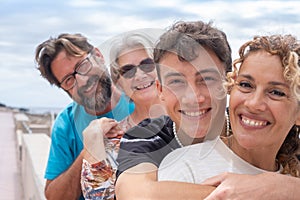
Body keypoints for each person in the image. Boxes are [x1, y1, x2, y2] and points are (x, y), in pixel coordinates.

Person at [158, 34, 300, 196]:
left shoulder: (291, 181)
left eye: (276, 92)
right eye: (246, 85)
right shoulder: (186, 166)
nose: (253, 104)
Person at [115, 20, 232, 199]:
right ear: (160, 90)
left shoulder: (252, 126)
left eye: (207, 79)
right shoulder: (146, 136)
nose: (193, 97)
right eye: (176, 82)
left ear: (230, 82)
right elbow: (137, 194)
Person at [35, 33, 134, 200]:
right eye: (68, 80)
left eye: (82, 65)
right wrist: (88, 151)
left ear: (98, 56)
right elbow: (54, 196)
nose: (81, 81)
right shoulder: (66, 124)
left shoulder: (141, 99)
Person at [80, 31, 164, 199]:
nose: (140, 75)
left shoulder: (192, 120)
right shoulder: (113, 137)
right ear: (119, 83)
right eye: (128, 71)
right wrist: (92, 142)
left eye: (147, 65)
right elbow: (98, 197)